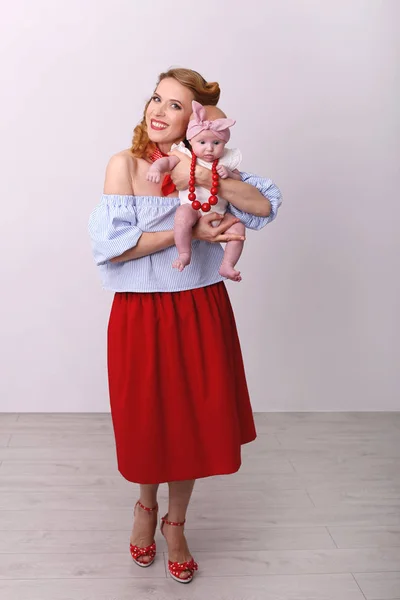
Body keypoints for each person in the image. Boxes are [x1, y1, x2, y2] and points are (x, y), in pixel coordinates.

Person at [88, 67, 282, 584]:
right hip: (140, 310)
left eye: (175, 105)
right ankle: (145, 509)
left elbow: (264, 207)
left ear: (197, 118)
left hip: (199, 306)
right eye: (156, 98)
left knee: (194, 420)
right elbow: (112, 248)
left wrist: (202, 178)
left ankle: (176, 524)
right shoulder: (125, 165)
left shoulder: (207, 165)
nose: (159, 111)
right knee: (148, 419)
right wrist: (192, 230)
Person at [147, 100, 245, 281]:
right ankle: (184, 252)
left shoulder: (226, 160)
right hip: (193, 208)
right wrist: (156, 168)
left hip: (218, 213)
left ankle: (227, 264)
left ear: (224, 142)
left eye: (216, 142)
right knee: (182, 215)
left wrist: (230, 174)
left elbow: (240, 182)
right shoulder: (185, 156)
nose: (209, 148)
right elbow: (167, 162)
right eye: (202, 142)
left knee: (238, 227)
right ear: (191, 141)